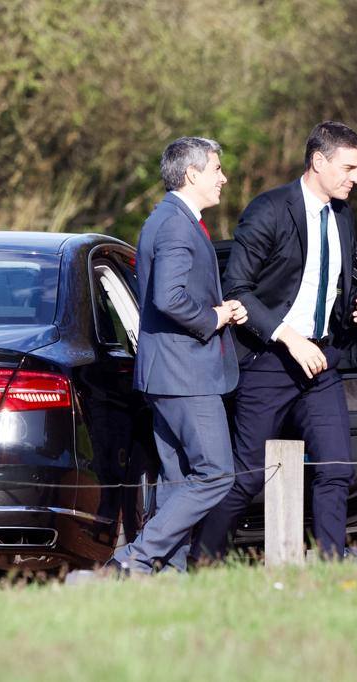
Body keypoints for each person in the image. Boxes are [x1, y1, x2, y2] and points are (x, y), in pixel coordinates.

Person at [194, 121, 357, 559]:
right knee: (249, 476)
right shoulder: (270, 209)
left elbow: (334, 284)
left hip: (323, 360)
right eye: (349, 168)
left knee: (336, 469)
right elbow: (237, 288)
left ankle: (330, 567)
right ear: (318, 161)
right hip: (268, 359)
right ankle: (198, 560)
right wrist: (289, 337)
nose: (356, 179)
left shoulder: (344, 215)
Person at [109, 136, 246, 574]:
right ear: (192, 174)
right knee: (216, 474)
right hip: (184, 373)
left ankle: (165, 575)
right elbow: (169, 298)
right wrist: (216, 316)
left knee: (178, 480)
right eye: (217, 169)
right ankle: (136, 557)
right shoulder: (174, 224)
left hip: (168, 373)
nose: (223, 177)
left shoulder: (170, 218)